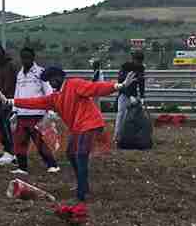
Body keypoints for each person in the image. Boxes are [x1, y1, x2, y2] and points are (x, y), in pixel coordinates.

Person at [12, 67, 129, 203]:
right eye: (49, 80)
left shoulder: (74, 84)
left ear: (60, 77)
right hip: (79, 128)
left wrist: (118, 86)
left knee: (80, 154)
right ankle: (82, 184)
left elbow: (95, 87)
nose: (51, 82)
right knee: (71, 153)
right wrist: (12, 102)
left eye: (52, 79)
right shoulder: (55, 97)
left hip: (91, 123)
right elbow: (35, 102)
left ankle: (82, 193)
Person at [10, 47, 59, 176]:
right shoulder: (20, 74)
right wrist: (15, 110)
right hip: (21, 113)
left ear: (33, 58)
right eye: (23, 57)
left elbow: (48, 91)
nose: (25, 60)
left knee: (39, 141)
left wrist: (50, 109)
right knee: (20, 141)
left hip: (36, 113)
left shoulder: (41, 72)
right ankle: (22, 167)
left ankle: (52, 165)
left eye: (27, 57)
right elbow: (17, 92)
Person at [0, 47, 17, 165]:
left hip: (10, 100)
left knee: (5, 125)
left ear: (2, 55)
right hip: (2, 102)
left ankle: (12, 152)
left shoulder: (10, 66)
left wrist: (4, 96)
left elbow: (11, 83)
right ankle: (9, 149)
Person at [115, 50, 147, 138]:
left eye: (141, 62)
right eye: (138, 61)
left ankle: (131, 136)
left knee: (134, 116)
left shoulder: (141, 68)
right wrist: (129, 96)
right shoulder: (125, 67)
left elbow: (141, 82)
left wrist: (142, 96)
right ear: (133, 60)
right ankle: (117, 136)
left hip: (134, 95)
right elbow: (121, 84)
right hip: (124, 94)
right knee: (121, 115)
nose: (139, 63)